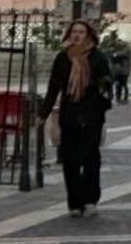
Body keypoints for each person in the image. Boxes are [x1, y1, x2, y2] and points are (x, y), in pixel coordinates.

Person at [41, 20, 113, 217]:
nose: (77, 35)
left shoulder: (98, 57)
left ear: (88, 35)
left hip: (91, 113)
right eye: (74, 32)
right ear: (69, 35)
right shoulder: (63, 58)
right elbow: (53, 87)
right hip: (70, 112)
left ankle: (90, 200)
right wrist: (43, 113)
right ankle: (74, 201)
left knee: (91, 158)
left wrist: (104, 87)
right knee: (70, 160)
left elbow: (106, 81)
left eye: (81, 32)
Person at [101, 26, 131, 104]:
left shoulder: (125, 47)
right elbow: (105, 50)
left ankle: (124, 98)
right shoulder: (112, 46)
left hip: (124, 69)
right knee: (114, 84)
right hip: (115, 68)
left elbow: (123, 53)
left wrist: (115, 54)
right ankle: (116, 97)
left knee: (123, 84)